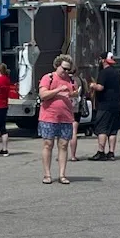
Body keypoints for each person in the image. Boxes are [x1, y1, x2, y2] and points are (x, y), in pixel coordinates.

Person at [38, 54, 78, 183]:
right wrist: (58, 89)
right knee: (48, 144)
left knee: (64, 145)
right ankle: (47, 175)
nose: (66, 72)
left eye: (68, 69)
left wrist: (74, 94)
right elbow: (43, 95)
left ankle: (62, 175)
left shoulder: (72, 81)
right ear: (57, 65)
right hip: (48, 116)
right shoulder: (48, 78)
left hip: (66, 117)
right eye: (64, 68)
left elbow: (72, 96)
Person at [88, 53, 120, 161]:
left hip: (105, 104)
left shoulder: (104, 72)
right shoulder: (117, 72)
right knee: (113, 130)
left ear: (103, 60)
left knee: (101, 128)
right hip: (117, 104)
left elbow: (100, 87)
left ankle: (101, 152)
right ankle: (111, 152)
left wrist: (93, 85)